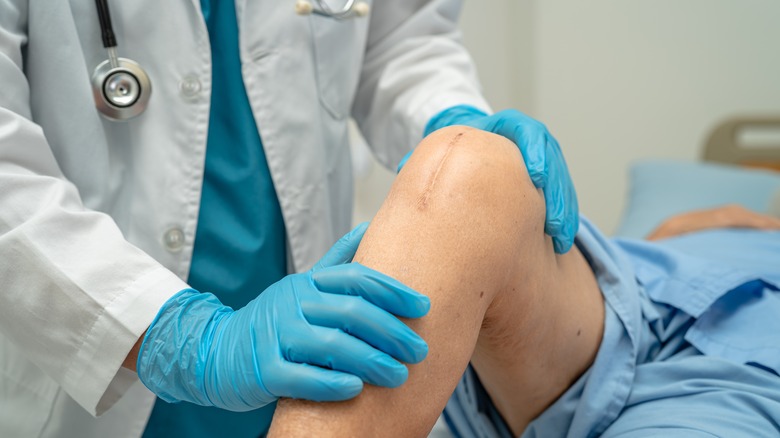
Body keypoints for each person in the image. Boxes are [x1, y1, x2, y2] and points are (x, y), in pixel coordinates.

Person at [0, 1, 579, 437]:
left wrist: (450, 120)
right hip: (86, 356)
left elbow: (401, 39)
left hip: (308, 337)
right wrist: (179, 337)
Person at [264, 126, 780, 437]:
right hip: (635, 304)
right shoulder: (728, 219)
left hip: (748, 374)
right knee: (470, 168)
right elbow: (658, 241)